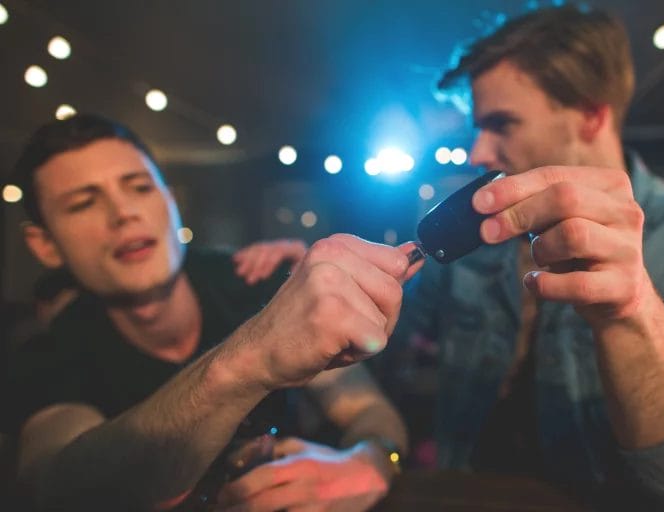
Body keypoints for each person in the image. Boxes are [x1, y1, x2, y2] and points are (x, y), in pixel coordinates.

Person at [380, 5, 664, 511]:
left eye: (502, 124)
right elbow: (373, 358)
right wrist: (375, 449)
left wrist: (630, 312)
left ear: (591, 114)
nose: (477, 152)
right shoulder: (481, 247)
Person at [4, 114, 421, 511]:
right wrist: (250, 357)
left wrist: (370, 464)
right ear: (45, 245)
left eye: (139, 188)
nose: (123, 213)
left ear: (170, 202)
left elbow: (370, 410)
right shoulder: (51, 353)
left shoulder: (252, 282)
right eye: (83, 203)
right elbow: (61, 489)